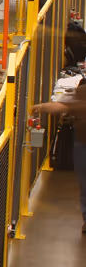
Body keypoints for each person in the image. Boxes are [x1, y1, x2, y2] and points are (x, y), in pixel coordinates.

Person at [33, 84, 86, 232]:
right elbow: (66, 106)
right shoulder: (82, 91)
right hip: (83, 144)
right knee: (84, 184)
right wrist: (42, 107)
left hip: (82, 144)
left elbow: (66, 106)